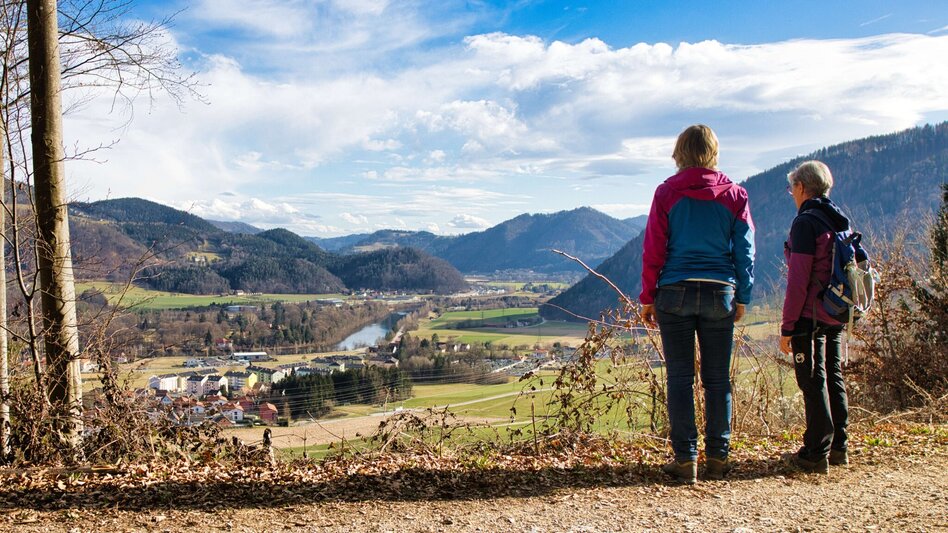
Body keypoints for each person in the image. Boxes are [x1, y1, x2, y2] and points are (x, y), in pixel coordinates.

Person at [639, 124, 755, 483]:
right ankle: (718, 458)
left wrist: (648, 296)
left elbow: (654, 247)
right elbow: (745, 251)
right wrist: (743, 296)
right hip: (720, 292)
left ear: (680, 152)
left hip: (674, 292)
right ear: (713, 151)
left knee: (680, 378)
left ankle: (685, 459)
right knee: (718, 379)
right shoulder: (735, 195)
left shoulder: (666, 193)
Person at [779, 160, 867, 473]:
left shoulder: (806, 223)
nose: (792, 194)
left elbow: (798, 279)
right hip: (837, 311)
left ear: (802, 187)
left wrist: (788, 327)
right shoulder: (838, 219)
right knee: (834, 374)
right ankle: (839, 445)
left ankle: (816, 451)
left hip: (810, 315)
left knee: (811, 380)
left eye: (792, 188)